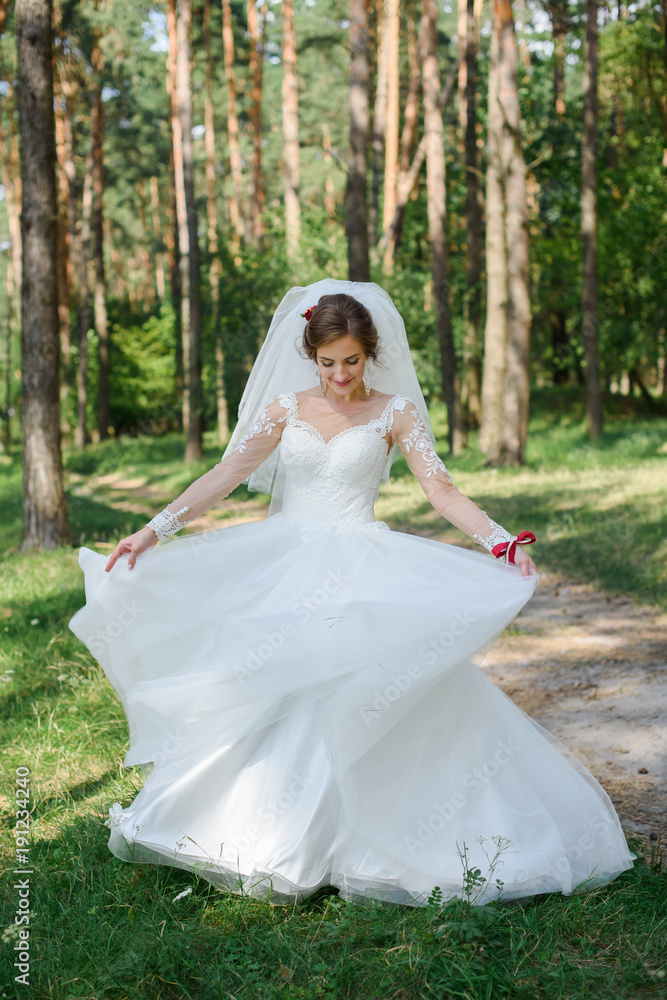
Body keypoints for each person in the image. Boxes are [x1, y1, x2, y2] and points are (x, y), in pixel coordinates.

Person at [68, 279, 635, 907]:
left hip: (363, 561)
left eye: (352, 361)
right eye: (328, 363)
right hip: (289, 560)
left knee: (372, 686)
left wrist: (501, 542)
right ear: (312, 357)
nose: (340, 376)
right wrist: (152, 531)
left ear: (371, 353)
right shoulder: (285, 408)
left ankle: (380, 843)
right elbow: (227, 472)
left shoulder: (395, 412)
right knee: (281, 685)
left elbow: (441, 492)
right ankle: (266, 834)